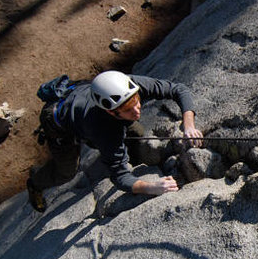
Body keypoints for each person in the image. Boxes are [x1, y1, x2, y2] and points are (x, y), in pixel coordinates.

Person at [27, 70, 203, 212]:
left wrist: (188, 125)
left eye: (136, 101)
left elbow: (178, 89)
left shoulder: (129, 87)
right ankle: (35, 182)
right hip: (59, 125)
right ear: (111, 112)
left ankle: (116, 152)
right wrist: (150, 187)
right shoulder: (103, 128)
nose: (137, 110)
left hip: (80, 99)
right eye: (127, 108)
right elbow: (119, 177)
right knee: (66, 172)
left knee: (137, 132)